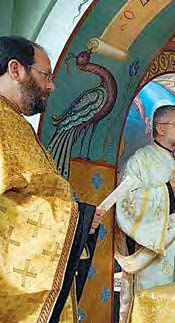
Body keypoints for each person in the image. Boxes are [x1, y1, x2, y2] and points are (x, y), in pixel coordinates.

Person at [0, 36, 106, 322]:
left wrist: (81, 217)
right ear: (15, 69)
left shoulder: (16, 122)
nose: (52, 85)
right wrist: (76, 217)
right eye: (46, 75)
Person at [115, 105, 175, 322]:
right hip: (154, 254)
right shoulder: (140, 161)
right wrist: (168, 189)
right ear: (160, 128)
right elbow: (127, 202)